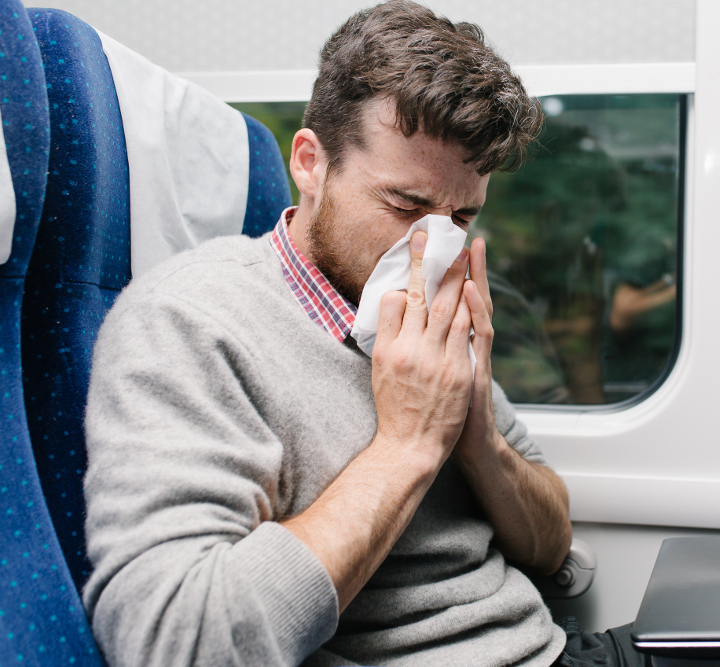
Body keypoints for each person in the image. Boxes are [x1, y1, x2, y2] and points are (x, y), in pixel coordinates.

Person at [83, 2, 647, 665]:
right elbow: (176, 642)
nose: (431, 244)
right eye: (405, 206)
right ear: (311, 163)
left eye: (462, 215)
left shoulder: (435, 309)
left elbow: (551, 545)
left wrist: (475, 435)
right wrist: (408, 442)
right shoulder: (190, 322)